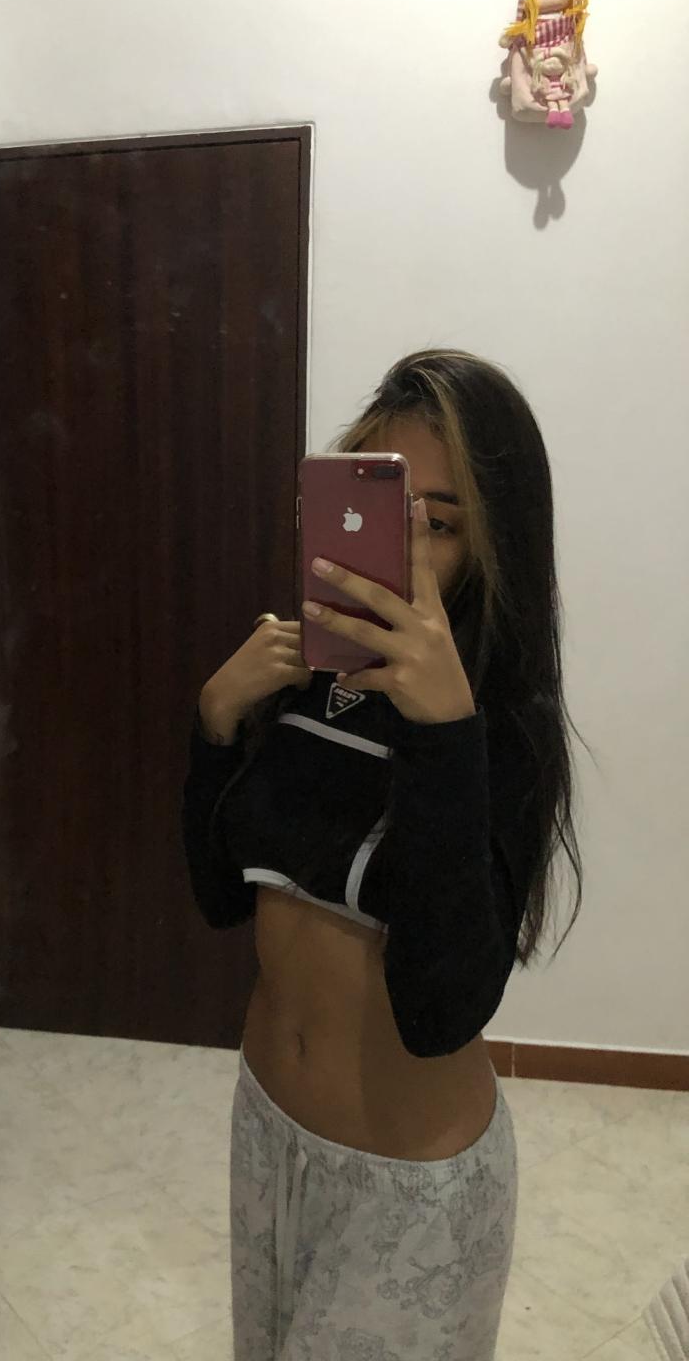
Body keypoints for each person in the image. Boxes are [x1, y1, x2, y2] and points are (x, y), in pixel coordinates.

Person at [181, 350, 584, 1360]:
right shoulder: (306, 677)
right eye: (375, 510)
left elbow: (442, 1008)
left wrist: (446, 738)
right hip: (267, 1132)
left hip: (409, 1188)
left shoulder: (500, 727)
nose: (396, 553)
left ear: (492, 543)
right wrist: (216, 723)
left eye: (437, 525)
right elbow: (222, 900)